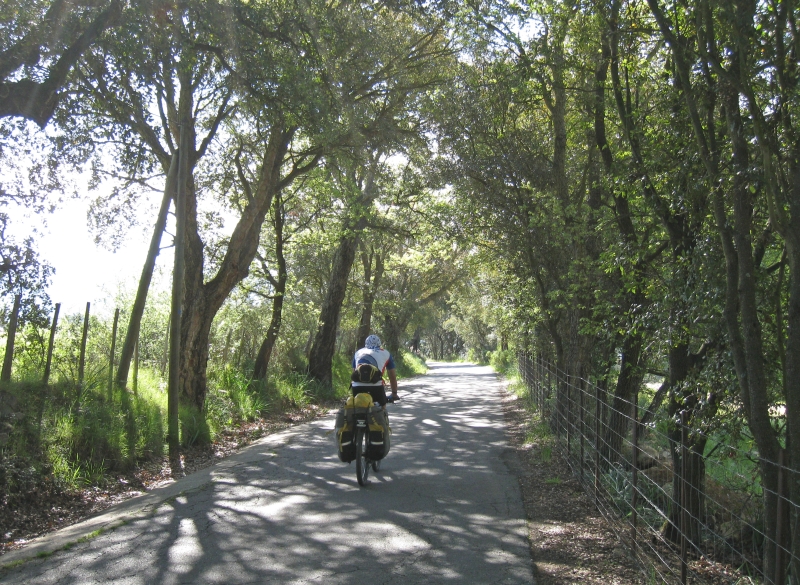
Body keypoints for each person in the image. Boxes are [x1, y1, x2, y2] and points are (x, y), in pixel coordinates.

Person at [351, 334, 398, 408]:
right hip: (376, 385)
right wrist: (394, 393)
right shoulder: (386, 353)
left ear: (366, 344)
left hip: (356, 385)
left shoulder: (358, 353)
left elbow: (354, 373)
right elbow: (392, 377)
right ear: (379, 344)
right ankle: (382, 412)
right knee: (382, 406)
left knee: (356, 407)